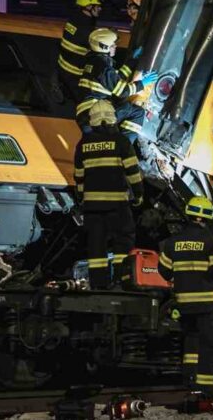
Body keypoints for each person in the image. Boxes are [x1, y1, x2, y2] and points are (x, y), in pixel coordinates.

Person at [158, 196, 213, 398]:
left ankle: (189, 382)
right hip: (206, 304)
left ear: (189, 215)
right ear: (207, 217)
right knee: (209, 343)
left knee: (191, 341)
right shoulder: (211, 242)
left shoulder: (173, 243)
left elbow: (164, 272)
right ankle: (205, 390)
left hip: (183, 304)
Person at [74, 100, 144, 290]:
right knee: (123, 242)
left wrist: (81, 198)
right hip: (117, 205)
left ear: (93, 120)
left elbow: (78, 176)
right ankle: (122, 281)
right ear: (113, 118)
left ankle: (99, 286)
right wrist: (138, 195)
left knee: (96, 248)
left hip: (93, 207)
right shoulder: (121, 141)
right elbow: (133, 172)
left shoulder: (83, 144)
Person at [77, 28, 157, 143]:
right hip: (97, 116)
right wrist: (143, 83)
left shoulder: (95, 61)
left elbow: (116, 79)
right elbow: (123, 90)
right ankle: (124, 147)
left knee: (123, 107)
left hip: (87, 116)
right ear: (104, 47)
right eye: (113, 45)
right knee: (137, 112)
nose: (115, 47)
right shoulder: (103, 67)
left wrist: (132, 61)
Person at [58, 0, 104, 102]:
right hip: (75, 75)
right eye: (97, 6)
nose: (100, 9)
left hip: (63, 68)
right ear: (88, 7)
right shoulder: (87, 29)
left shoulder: (73, 20)